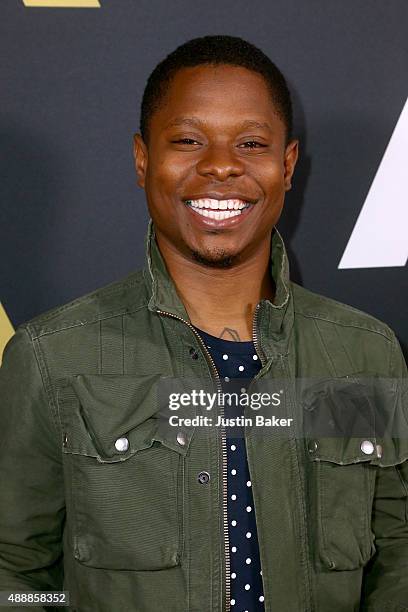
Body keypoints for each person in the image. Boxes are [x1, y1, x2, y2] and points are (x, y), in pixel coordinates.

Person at [0, 34, 407, 612]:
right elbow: (16, 571)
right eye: (189, 140)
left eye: (251, 143)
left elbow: (397, 555)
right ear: (143, 159)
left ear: (287, 165)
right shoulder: (52, 358)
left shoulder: (362, 355)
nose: (221, 164)